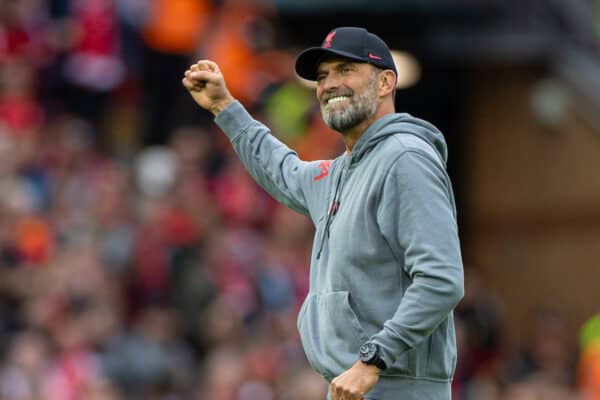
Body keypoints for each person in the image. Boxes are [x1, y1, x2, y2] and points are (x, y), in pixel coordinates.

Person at [182, 26, 464, 400]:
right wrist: (225, 108)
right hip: (354, 385)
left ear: (385, 83)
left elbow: (441, 279)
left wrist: (372, 360)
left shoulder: (404, 158)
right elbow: (281, 169)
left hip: (392, 387)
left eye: (345, 71)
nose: (329, 84)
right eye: (322, 76)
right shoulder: (342, 171)